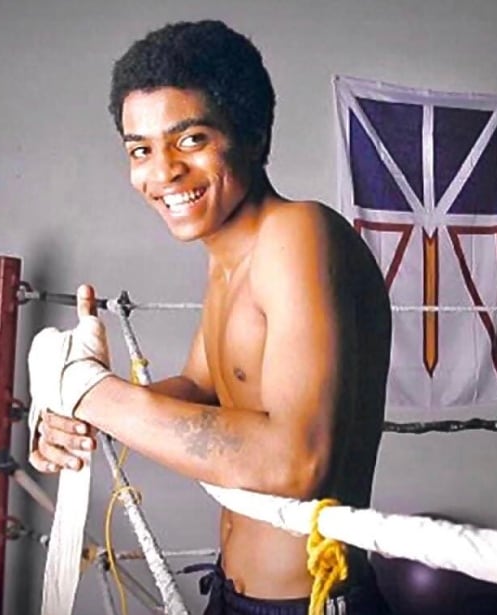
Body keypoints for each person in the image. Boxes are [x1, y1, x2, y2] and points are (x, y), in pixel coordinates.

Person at [28, 19, 393, 614]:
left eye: (190, 139)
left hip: (310, 602)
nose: (162, 170)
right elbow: (201, 389)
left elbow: (295, 461)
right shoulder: (230, 260)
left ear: (252, 134)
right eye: (140, 149)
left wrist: (92, 393)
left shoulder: (297, 232)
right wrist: (78, 416)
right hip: (231, 590)